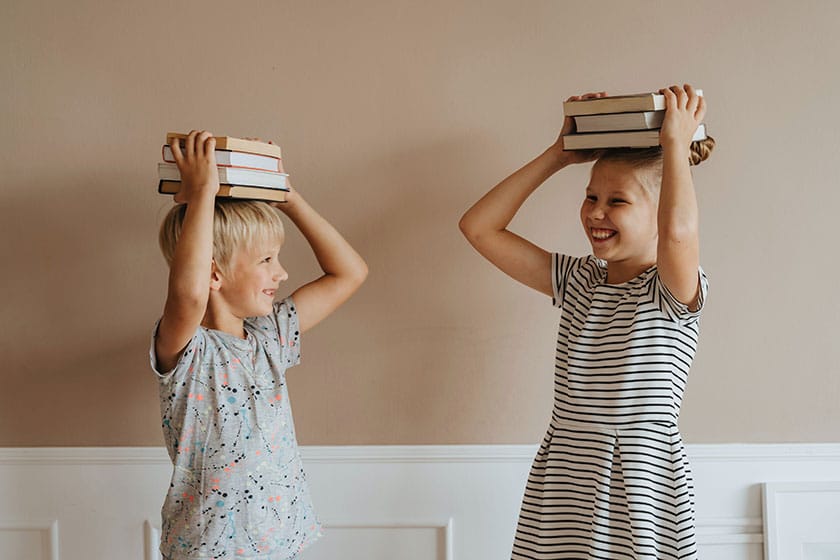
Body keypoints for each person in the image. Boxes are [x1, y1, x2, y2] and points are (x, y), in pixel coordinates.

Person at [459, 85, 714, 559]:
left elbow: (679, 232)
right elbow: (479, 226)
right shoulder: (579, 280)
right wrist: (560, 154)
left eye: (617, 202)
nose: (596, 211)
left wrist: (675, 145)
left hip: (639, 487)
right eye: (591, 196)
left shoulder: (672, 293)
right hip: (565, 482)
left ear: (659, 212)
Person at [151, 130, 368, 560]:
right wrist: (202, 195)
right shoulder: (189, 349)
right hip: (208, 547)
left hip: (280, 539)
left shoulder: (270, 337)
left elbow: (350, 273)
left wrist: (288, 199)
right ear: (214, 274)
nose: (282, 273)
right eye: (266, 260)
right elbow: (190, 295)